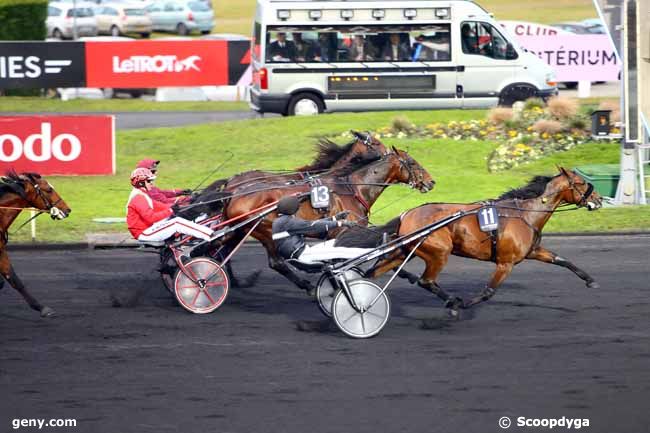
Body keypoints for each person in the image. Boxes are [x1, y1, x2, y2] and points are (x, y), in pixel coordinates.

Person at [271, 196, 373, 264]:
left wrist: (335, 218)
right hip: (304, 255)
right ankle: (371, 253)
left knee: (337, 242)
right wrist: (340, 223)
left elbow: (313, 224)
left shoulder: (280, 221)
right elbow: (314, 226)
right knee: (340, 250)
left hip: (300, 253)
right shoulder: (289, 222)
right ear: (293, 209)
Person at [127, 168, 213, 244]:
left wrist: (179, 205)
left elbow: (160, 205)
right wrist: (170, 210)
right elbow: (151, 218)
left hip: (148, 228)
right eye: (149, 181)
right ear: (141, 183)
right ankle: (210, 235)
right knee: (176, 222)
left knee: (176, 218)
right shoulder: (138, 198)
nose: (152, 183)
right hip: (144, 233)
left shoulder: (142, 194)